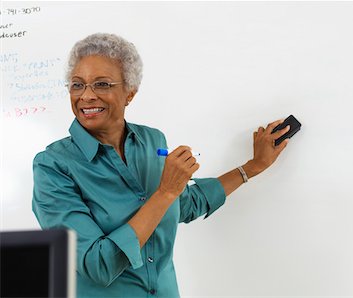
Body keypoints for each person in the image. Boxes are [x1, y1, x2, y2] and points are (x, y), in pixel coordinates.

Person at [32, 33, 290, 298]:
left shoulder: (152, 141)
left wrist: (254, 165)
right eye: (77, 85)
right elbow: (97, 265)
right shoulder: (53, 166)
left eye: (101, 84)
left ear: (129, 93)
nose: (86, 96)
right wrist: (166, 190)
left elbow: (184, 203)